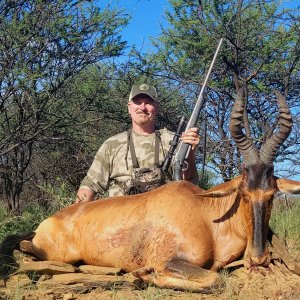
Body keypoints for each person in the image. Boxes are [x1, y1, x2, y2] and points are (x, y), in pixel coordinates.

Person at [75, 83, 200, 203]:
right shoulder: (112, 144)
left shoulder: (173, 141)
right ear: (129, 107)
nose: (142, 107)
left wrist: (190, 154)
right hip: (121, 218)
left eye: (148, 103)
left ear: (156, 108)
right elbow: (89, 185)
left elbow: (188, 184)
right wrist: (75, 218)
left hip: (163, 218)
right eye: (138, 102)